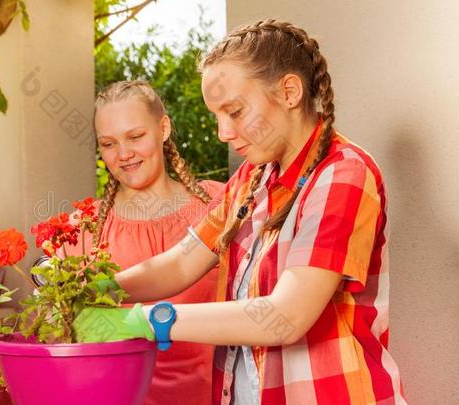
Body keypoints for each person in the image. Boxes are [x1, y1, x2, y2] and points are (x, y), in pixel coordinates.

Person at [74, 20, 406, 405]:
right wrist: (100, 288)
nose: (223, 133)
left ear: (289, 92)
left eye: (234, 111)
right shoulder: (253, 179)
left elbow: (285, 317)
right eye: (217, 115)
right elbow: (181, 263)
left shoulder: (343, 174)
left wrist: (144, 321)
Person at [71, 80, 225, 405]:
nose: (124, 154)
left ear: (164, 128)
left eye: (136, 136)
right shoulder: (84, 228)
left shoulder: (218, 204)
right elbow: (61, 336)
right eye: (109, 144)